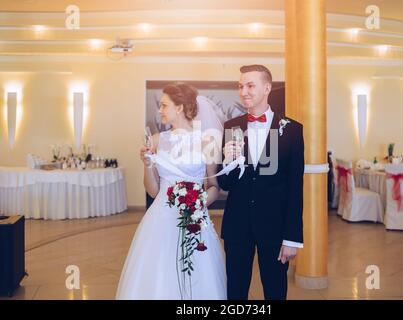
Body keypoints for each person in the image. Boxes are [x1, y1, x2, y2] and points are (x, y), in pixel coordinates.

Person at [116, 83, 226, 300]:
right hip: (161, 217)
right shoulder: (157, 140)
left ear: (180, 107)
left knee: (197, 273)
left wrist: (198, 202)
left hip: (195, 217)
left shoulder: (206, 142)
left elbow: (214, 186)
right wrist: (147, 164)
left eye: (164, 105)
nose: (160, 110)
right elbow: (153, 190)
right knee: (159, 272)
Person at [217, 65, 304, 300]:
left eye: (250, 85)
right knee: (235, 290)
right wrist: (228, 161)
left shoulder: (292, 130)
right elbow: (225, 183)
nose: (243, 91)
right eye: (240, 86)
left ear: (267, 88)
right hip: (238, 226)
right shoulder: (231, 127)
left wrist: (292, 237)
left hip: (275, 228)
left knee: (276, 290)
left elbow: (296, 188)